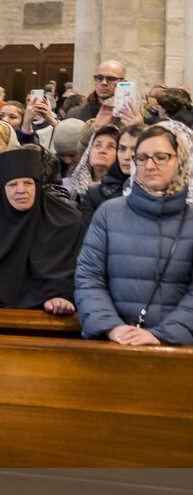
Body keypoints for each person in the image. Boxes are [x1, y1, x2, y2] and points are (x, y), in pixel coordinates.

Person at [76, 124, 193, 346]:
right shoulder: (109, 213)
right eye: (142, 157)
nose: (150, 165)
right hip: (114, 343)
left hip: (178, 349)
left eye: (161, 157)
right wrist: (111, 326)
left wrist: (161, 334)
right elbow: (89, 277)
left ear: (181, 160)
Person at [0, 148, 84, 314]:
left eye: (28, 183)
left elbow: (68, 271)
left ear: (38, 185)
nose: (21, 190)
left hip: (48, 314)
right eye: (12, 184)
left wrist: (61, 295)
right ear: (2, 188)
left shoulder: (64, 221)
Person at [82, 123, 143, 220]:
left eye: (134, 149)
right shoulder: (95, 195)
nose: (126, 157)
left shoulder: (162, 194)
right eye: (122, 149)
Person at [67, 123, 120, 201]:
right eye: (98, 146)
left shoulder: (122, 192)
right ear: (89, 152)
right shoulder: (70, 188)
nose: (102, 150)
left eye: (111, 146)